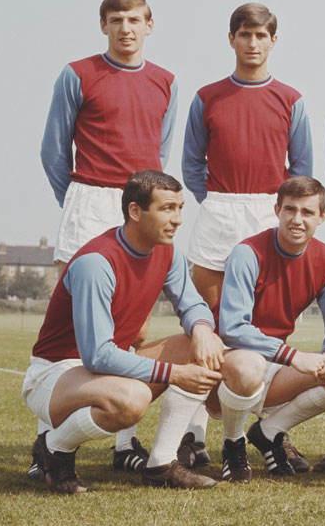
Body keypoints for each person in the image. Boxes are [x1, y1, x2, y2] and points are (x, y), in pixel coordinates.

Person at [38, 0, 177, 473]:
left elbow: (161, 149)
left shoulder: (166, 81)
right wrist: (78, 198)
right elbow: (54, 152)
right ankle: (47, 446)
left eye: (135, 19)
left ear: (149, 24)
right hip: (90, 199)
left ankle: (125, 445)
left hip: (140, 203)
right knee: (71, 327)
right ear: (104, 25)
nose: (126, 28)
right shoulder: (77, 74)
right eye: (116, 19)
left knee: (133, 326)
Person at [23, 171, 223, 493]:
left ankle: (161, 463)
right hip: (56, 373)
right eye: (167, 209)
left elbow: (194, 305)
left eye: (180, 208)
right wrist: (174, 373)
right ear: (135, 211)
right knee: (132, 399)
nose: (178, 220)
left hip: (103, 369)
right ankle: (54, 448)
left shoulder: (167, 251)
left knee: (207, 346)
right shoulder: (97, 262)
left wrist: (201, 329)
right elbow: (97, 354)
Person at [180, 3, 313, 469]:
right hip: (220, 208)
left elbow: (302, 172)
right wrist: (215, 201)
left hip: (265, 208)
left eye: (261, 35)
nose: (252, 43)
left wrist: (273, 209)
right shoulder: (207, 96)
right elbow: (191, 164)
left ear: (273, 40)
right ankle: (192, 433)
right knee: (211, 328)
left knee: (260, 328)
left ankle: (268, 432)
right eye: (244, 34)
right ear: (231, 39)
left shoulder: (292, 99)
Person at [210, 176, 325, 482]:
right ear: (277, 209)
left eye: (307, 212)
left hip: (273, 364)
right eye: (290, 209)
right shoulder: (247, 253)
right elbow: (233, 328)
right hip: (225, 365)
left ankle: (268, 432)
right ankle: (232, 444)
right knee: (249, 366)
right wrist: (293, 356)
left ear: (322, 217)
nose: (297, 219)